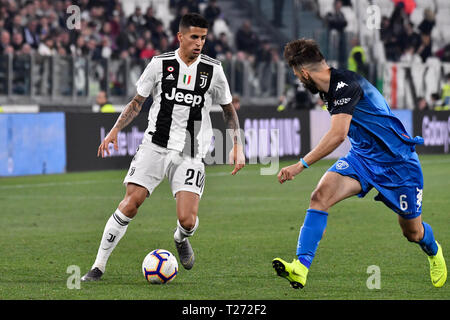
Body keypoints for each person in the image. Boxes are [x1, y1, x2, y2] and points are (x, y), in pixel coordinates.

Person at [81, 13, 245, 281]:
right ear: (180, 37)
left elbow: (228, 110)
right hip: (155, 146)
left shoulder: (213, 70)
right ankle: (98, 266)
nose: (199, 43)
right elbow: (137, 102)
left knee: (188, 221)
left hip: (192, 152)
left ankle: (180, 238)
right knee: (130, 203)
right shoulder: (160, 64)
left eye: (203, 38)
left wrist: (237, 145)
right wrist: (114, 131)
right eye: (194, 37)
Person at [272, 38, 447, 289]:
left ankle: (433, 251)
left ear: (304, 72)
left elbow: (337, 135)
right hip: (363, 158)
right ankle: (300, 267)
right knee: (320, 196)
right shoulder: (326, 89)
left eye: (296, 75)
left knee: (413, 233)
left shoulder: (345, 85)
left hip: (398, 163)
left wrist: (300, 165)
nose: (298, 80)